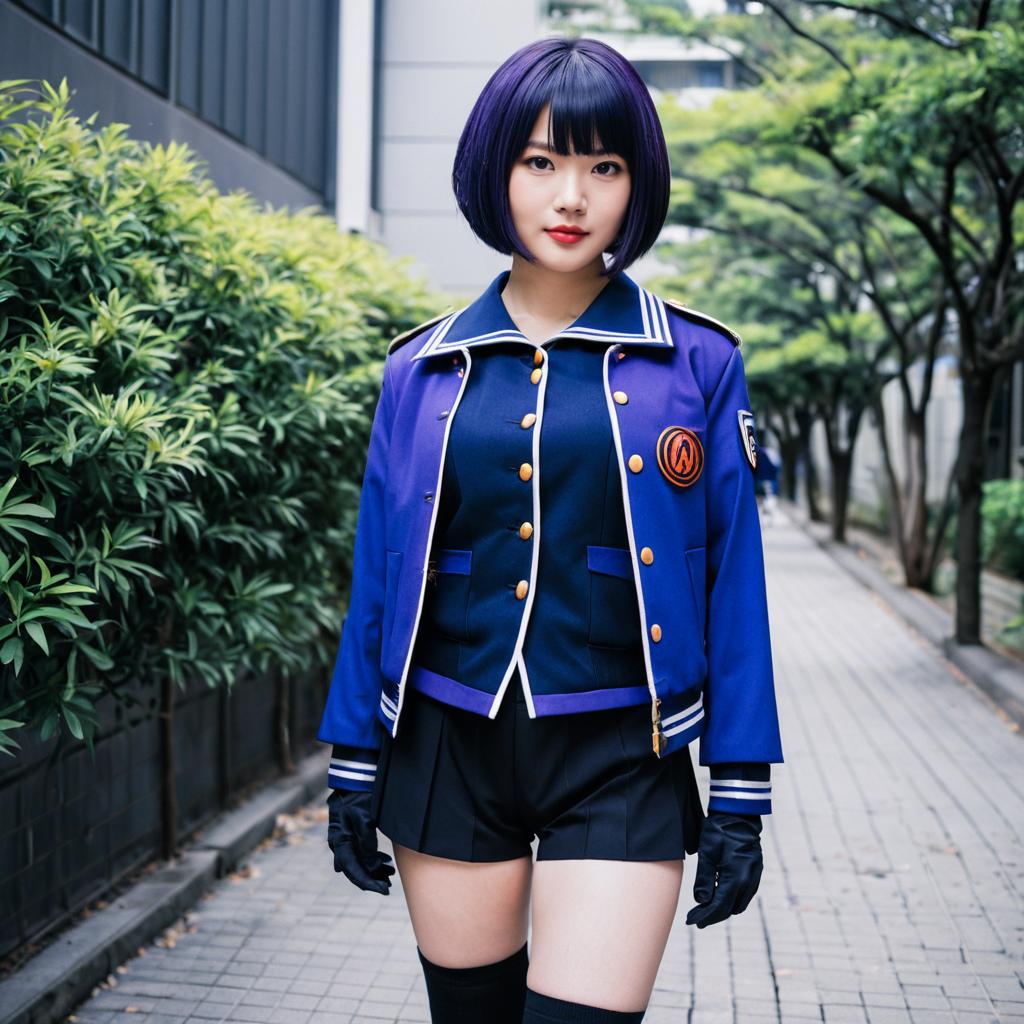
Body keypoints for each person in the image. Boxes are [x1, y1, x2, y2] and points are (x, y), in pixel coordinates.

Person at [319, 37, 784, 1024]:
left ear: (636, 183)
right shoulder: (420, 370)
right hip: (448, 738)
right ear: (497, 170)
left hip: (624, 746)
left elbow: (731, 581)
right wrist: (353, 761)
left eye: (603, 167)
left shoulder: (697, 361)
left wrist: (739, 788)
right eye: (541, 162)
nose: (571, 196)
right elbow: (380, 572)